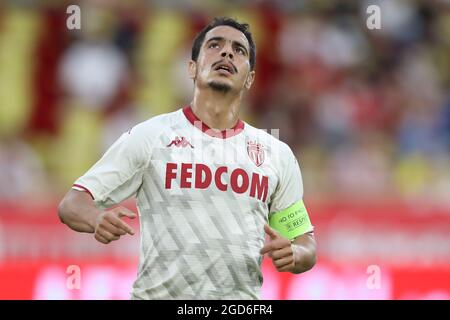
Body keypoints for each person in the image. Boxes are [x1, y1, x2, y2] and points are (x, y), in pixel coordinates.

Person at [58, 17, 316, 300]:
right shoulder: (151, 136)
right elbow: (72, 203)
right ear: (191, 68)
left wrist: (295, 253)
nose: (227, 53)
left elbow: (304, 242)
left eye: (238, 50)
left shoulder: (274, 153)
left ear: (250, 78)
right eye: (215, 45)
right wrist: (96, 219)